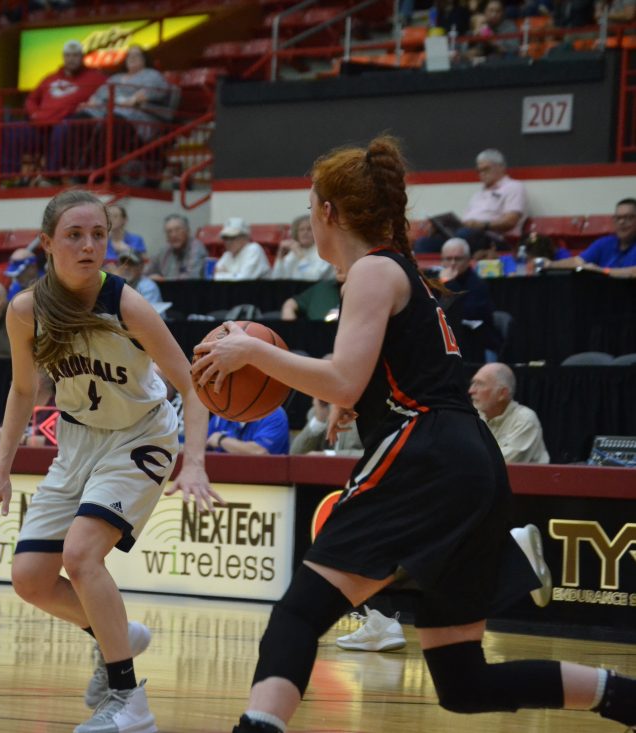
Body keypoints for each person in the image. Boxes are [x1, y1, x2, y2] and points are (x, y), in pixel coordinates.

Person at [191, 135, 634, 733]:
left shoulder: (372, 271)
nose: (309, 217)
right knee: (464, 682)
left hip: (424, 455)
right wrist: (358, 402)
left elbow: (344, 378)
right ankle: (626, 698)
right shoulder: (398, 273)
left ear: (328, 212)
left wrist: (252, 351)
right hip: (468, 462)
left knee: (297, 615)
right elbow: (383, 376)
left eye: (309, 205)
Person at [0, 189, 216, 733]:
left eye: (98, 235)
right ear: (47, 243)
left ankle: (130, 702)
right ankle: (117, 636)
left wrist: (196, 461)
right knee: (31, 578)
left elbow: (193, 386)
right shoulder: (25, 310)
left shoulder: (126, 304)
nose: (88, 246)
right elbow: (22, 391)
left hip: (141, 434)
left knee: (81, 555)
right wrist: (0, 472)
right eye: (75, 235)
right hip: (79, 439)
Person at [1, 40, 107, 180]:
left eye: (75, 55)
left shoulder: (96, 78)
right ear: (63, 57)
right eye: (68, 55)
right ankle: (9, 178)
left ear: (82, 57)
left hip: (69, 127)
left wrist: (92, 105)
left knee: (61, 129)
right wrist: (34, 114)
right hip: (41, 126)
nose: (71, 59)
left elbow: (110, 95)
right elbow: (31, 99)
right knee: (12, 131)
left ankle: (51, 177)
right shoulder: (50, 78)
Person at [415, 149, 527, 254]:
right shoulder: (478, 194)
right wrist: (442, 228)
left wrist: (482, 225)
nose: (482, 174)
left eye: (486, 169)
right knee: (424, 243)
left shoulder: (513, 187)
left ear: (501, 167)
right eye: (479, 171)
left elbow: (510, 221)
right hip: (466, 234)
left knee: (463, 236)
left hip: (494, 238)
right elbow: (465, 222)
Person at [469, 362, 549, 464]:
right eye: (473, 383)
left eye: (480, 384)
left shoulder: (525, 419)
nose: (471, 390)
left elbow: (501, 463)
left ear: (502, 393)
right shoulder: (475, 417)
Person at [439, 237, 500, 361]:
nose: (452, 263)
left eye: (458, 259)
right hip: (447, 343)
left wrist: (450, 283)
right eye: (448, 259)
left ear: (468, 261)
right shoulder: (436, 282)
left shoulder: (477, 284)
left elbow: (463, 312)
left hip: (477, 344)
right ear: (442, 261)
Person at [544, 198, 636, 277]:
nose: (621, 222)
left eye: (628, 217)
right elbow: (578, 261)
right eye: (618, 218)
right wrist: (550, 264)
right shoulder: (605, 243)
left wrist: (602, 271)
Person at [290, 396, 363, 456]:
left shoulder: (367, 410)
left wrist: (329, 455)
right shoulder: (322, 409)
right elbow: (295, 455)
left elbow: (369, 457)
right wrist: (319, 420)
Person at [144, 214, 208, 281]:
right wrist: (149, 278)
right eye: (169, 232)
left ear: (188, 231)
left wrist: (163, 280)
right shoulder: (163, 252)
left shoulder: (196, 248)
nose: (173, 235)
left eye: (178, 230)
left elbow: (191, 278)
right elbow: (145, 273)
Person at [270, 215, 334, 281]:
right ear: (296, 233)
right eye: (301, 229)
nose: (305, 232)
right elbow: (276, 280)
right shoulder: (292, 253)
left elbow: (313, 278)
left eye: (309, 229)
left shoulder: (325, 252)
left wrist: (300, 256)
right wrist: (280, 259)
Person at [206, 407, 289, 456]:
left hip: (264, 477)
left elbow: (259, 451)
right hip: (224, 475)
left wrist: (221, 440)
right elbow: (204, 443)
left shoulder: (274, 414)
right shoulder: (221, 414)